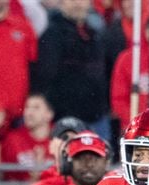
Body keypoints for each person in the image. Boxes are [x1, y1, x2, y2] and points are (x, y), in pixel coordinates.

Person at [31, 0, 109, 134]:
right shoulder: (52, 34)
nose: (78, 4)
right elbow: (46, 75)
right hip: (66, 119)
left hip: (96, 116)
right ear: (62, 3)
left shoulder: (94, 33)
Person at [1, 93, 54, 181]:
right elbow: (6, 177)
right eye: (27, 107)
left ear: (49, 114)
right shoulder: (13, 139)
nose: (29, 113)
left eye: (36, 108)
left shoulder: (60, 138)